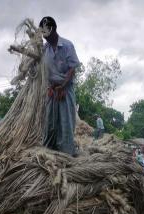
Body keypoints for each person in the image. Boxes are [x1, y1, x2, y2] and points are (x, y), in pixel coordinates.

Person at [40, 16, 80, 156]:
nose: (44, 36)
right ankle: (48, 151)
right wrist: (50, 87)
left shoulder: (67, 45)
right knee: (50, 123)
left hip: (65, 89)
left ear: (53, 29)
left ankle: (66, 153)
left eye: (45, 32)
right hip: (51, 90)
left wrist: (63, 85)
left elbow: (72, 69)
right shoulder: (45, 49)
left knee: (65, 123)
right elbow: (42, 67)